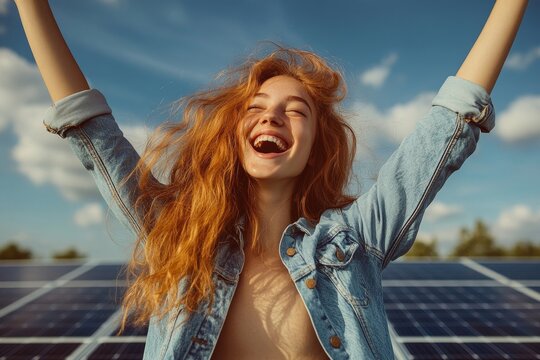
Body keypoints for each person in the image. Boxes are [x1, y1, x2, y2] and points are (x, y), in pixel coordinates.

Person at [13, 0, 529, 359]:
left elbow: (447, 123)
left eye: (295, 111)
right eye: (256, 109)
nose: (271, 118)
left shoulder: (356, 240)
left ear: (315, 147)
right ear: (235, 136)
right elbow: (92, 129)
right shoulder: (179, 233)